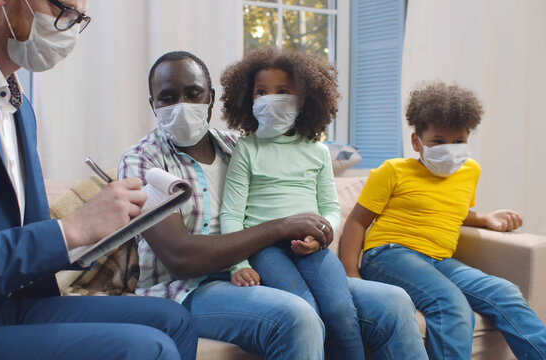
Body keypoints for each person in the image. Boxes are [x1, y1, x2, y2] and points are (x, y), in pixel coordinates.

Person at [0, 1, 197, 359]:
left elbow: (27, 233)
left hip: (7, 306)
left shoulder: (19, 104)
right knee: (149, 349)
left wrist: (99, 232)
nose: (69, 28)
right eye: (61, 7)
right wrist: (71, 229)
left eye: (79, 18)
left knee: (174, 320)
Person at [116, 50, 429, 360]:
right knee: (298, 315)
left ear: (211, 97)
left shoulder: (237, 146)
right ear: (153, 104)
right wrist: (281, 228)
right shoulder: (142, 159)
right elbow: (180, 257)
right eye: (168, 97)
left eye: (193, 94)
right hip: (189, 289)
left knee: (395, 301)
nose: (182, 105)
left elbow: (296, 161)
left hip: (266, 269)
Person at [339, 81, 546, 359]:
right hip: (389, 254)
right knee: (450, 304)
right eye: (438, 141)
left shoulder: (470, 171)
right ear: (417, 141)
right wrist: (351, 275)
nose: (450, 149)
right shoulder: (393, 171)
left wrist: (485, 218)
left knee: (504, 291)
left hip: (439, 260)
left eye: (458, 141)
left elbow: (451, 211)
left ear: (468, 137)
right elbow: (356, 222)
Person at [219, 47, 363, 359]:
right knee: (305, 309)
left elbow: (330, 208)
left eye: (282, 91)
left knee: (341, 312)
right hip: (263, 247)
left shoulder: (318, 151)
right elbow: (231, 212)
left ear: (304, 99)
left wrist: (321, 235)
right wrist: (238, 264)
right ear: (247, 99)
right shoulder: (246, 149)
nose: (271, 99)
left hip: (312, 245)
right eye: (261, 92)